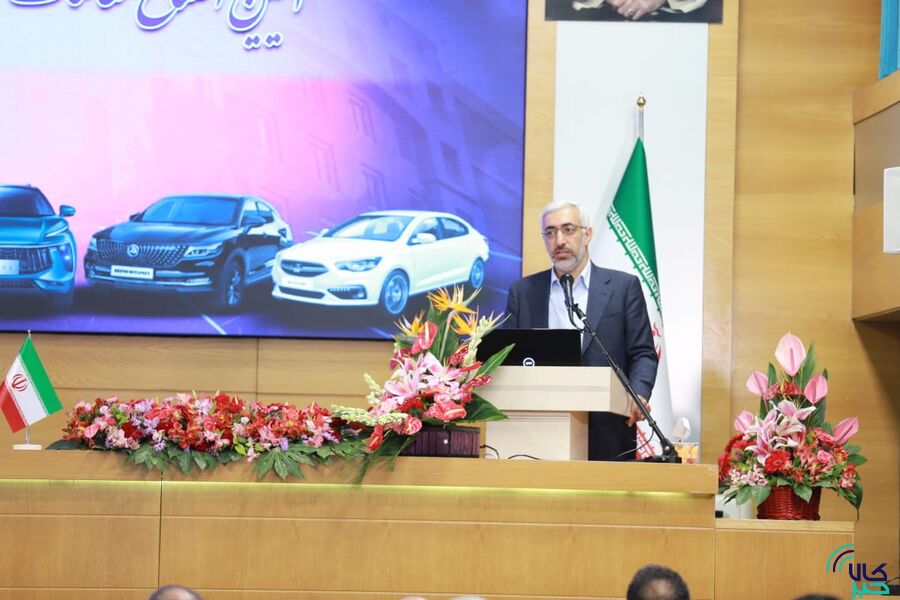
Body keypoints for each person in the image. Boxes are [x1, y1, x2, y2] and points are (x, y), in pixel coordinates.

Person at [505, 200, 658, 460]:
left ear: (587, 234)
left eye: (568, 229)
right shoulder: (523, 292)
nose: (559, 241)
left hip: (608, 429)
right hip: (538, 431)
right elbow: (507, 357)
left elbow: (642, 352)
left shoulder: (623, 287)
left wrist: (639, 392)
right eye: (550, 232)